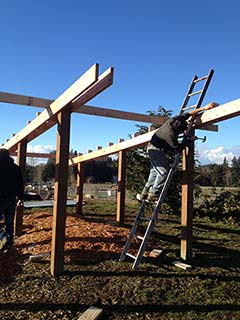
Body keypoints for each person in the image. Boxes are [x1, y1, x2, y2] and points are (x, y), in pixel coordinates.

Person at [140, 102, 219, 202]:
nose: (183, 133)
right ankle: (153, 194)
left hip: (153, 147)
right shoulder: (170, 135)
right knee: (163, 172)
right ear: (177, 130)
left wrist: (204, 108)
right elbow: (178, 149)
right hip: (156, 150)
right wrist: (188, 140)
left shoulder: (174, 119)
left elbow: (189, 114)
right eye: (182, 132)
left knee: (154, 172)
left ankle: (144, 193)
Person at [0, 148, 24, 252]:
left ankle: (3, 239)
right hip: (11, 199)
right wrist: (21, 198)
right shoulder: (16, 168)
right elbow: (20, 184)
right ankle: (9, 244)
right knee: (9, 222)